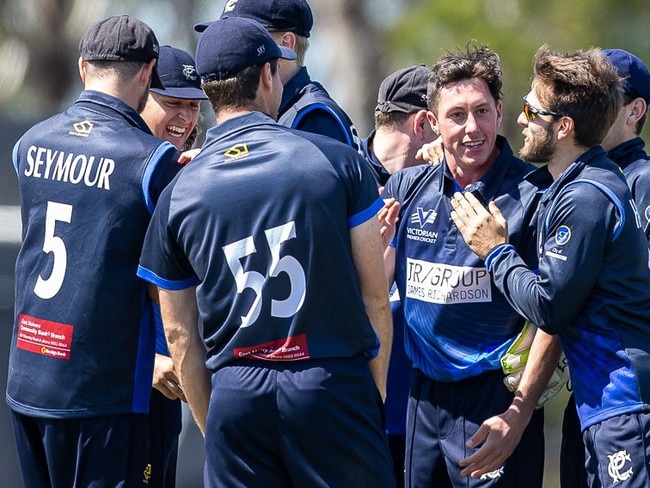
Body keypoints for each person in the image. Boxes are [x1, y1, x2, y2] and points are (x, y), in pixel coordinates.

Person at [136, 16, 395, 488]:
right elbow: (374, 295)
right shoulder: (335, 161)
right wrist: (371, 393)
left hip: (238, 389)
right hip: (330, 380)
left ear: (209, 92)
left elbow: (179, 333)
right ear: (268, 76)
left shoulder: (180, 189)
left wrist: (217, 418)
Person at [450, 45, 650, 488]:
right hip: (607, 406)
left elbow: (550, 307)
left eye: (529, 109)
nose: (519, 119)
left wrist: (496, 251)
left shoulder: (585, 197)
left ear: (563, 127)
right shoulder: (582, 181)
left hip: (624, 404)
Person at [7, 15, 183, 487]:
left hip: (29, 382)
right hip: (103, 396)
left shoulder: (30, 143)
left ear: (84, 68)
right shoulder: (151, 162)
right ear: (148, 73)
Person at [381, 44, 558, 487]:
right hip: (421, 397)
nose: (472, 127)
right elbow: (374, 291)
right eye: (456, 115)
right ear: (432, 123)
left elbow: (558, 314)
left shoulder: (534, 196)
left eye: (482, 110)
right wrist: (375, 248)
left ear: (500, 111)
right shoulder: (406, 187)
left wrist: (518, 415)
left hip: (494, 400)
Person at [559, 47, 650, 488]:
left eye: (606, 95)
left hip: (628, 394)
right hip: (591, 393)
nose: (591, 105)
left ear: (635, 110)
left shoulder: (642, 181)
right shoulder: (584, 178)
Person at [360, 63, 435, 487]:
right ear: (425, 122)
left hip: (432, 417)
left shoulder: (454, 181)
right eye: (450, 120)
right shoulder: (342, 181)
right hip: (363, 415)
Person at [139, 44, 207, 488]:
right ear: (141, 92)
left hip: (171, 376)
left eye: (193, 105)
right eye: (172, 103)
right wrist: (144, 361)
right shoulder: (131, 168)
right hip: (133, 379)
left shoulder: (182, 169)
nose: (184, 117)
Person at [194, 0, 361, 150]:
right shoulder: (280, 109)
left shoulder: (312, 117)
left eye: (250, 34)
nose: (232, 41)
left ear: (286, 44)